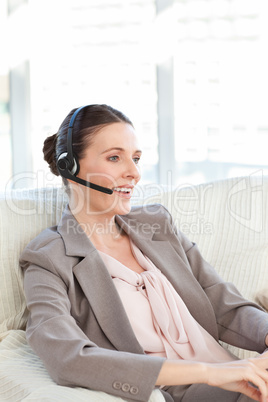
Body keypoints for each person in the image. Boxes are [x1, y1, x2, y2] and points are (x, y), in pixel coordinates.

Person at [20, 104, 268, 402]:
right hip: (188, 390)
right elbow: (68, 358)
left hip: (238, 375)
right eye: (115, 158)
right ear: (69, 166)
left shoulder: (157, 223)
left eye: (136, 159)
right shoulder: (47, 258)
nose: (134, 173)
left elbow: (220, 302)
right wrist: (210, 373)